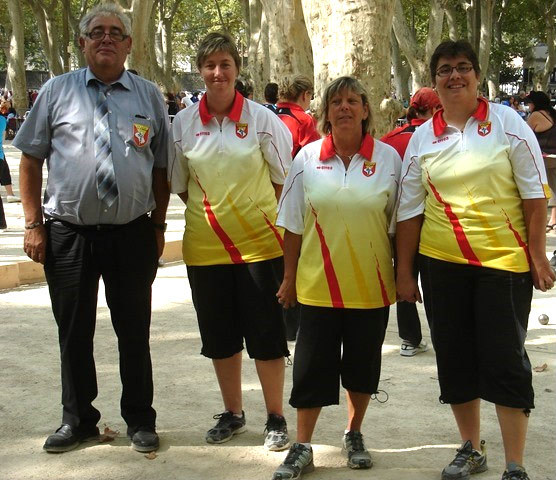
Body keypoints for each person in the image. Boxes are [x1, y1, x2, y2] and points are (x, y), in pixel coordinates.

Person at [13, 2, 170, 454]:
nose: (106, 38)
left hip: (131, 234)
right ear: (81, 42)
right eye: (96, 31)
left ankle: (140, 418)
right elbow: (30, 160)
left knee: (135, 330)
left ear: (128, 43)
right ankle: (78, 419)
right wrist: (33, 224)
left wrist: (158, 225)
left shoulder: (148, 96)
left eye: (115, 32)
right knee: (73, 331)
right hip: (67, 234)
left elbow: (160, 167)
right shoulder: (56, 92)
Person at [396, 40, 554, 480]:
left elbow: (534, 196)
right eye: (445, 69)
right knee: (455, 358)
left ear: (477, 76)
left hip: (502, 265)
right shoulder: (422, 138)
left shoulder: (508, 124)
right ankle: (471, 447)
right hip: (441, 266)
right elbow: (409, 211)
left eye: (463, 67)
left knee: (505, 360)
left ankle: (515, 464)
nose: (455, 76)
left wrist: (537, 255)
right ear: (434, 81)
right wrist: (405, 273)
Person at [272, 76, 401, 479]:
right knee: (310, 369)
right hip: (316, 288)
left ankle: (354, 433)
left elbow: (399, 226)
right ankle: (303, 444)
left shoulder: (389, 160)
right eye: (336, 102)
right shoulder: (307, 159)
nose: (344, 107)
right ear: (326, 112)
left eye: (352, 101)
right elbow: (292, 225)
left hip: (372, 289)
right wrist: (289, 278)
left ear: (365, 109)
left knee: (362, 368)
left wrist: (405, 277)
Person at [169, 31, 293, 451]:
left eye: (225, 64)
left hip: (260, 247)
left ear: (237, 69)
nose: (217, 73)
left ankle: (275, 417)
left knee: (266, 335)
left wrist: (258, 221)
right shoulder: (183, 123)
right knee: (219, 336)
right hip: (205, 250)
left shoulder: (262, 120)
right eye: (209, 65)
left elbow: (284, 180)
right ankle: (233, 413)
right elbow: (182, 186)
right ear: (200, 71)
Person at [380, 87, 441, 357]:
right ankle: (443, 338)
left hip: (397, 223)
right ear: (433, 110)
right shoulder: (439, 137)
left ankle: (409, 338)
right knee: (432, 282)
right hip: (431, 223)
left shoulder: (389, 140)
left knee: (403, 274)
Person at [525, 90, 556, 232]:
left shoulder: (536, 115)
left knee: (541, 191)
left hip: (545, 160)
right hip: (552, 157)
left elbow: (524, 134)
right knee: (554, 190)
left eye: (529, 103)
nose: (528, 105)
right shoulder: (552, 113)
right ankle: (553, 220)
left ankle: (544, 222)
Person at [276, 75, 320, 158]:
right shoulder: (305, 120)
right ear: (305, 94)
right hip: (293, 169)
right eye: (311, 97)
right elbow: (313, 154)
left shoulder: (270, 114)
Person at [0, 109, 21, 203]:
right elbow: (3, 137)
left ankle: (10, 194)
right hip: (0, 153)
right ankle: (10, 194)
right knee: (5, 172)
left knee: (5, 171)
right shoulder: (2, 120)